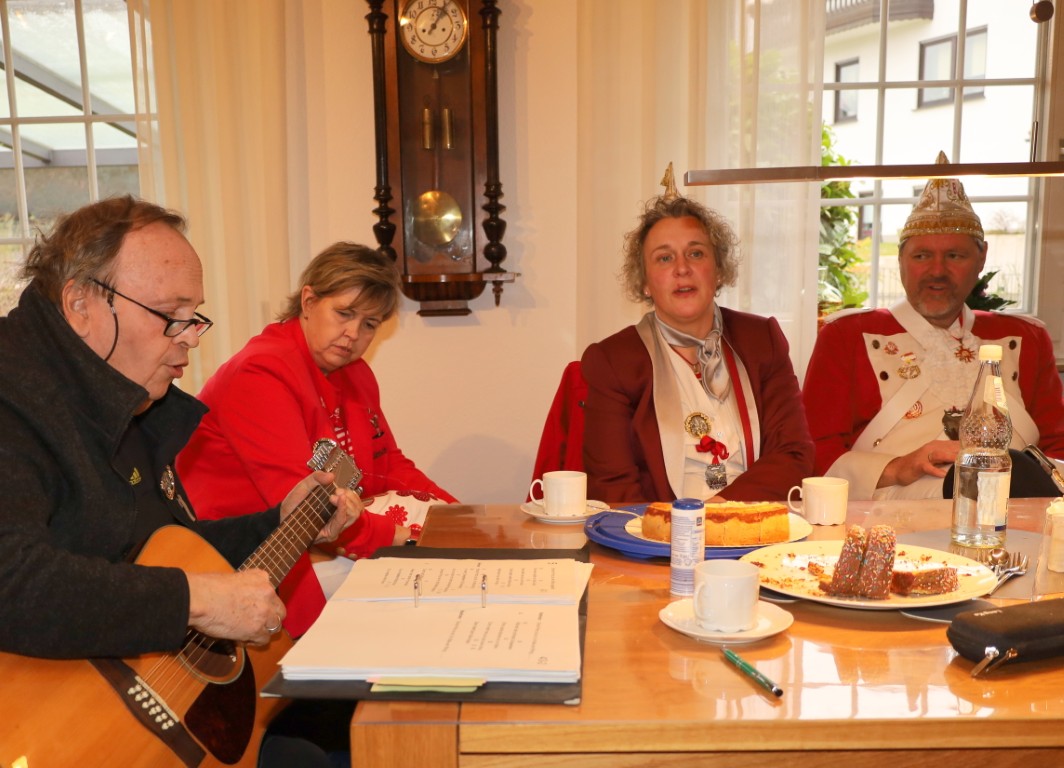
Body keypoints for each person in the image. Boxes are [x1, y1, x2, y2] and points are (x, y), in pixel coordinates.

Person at [0, 196, 361, 766]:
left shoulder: (122, 397)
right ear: (80, 303)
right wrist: (194, 600)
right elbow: (11, 581)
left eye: (196, 316)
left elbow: (164, 551)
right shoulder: (14, 397)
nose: (191, 337)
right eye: (172, 314)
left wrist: (280, 524)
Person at [178, 241, 456, 638]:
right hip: (241, 560)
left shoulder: (355, 373)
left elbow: (388, 464)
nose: (353, 334)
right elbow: (304, 508)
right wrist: (405, 537)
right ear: (308, 301)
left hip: (313, 545)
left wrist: (454, 516)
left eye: (370, 324)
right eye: (344, 313)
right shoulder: (261, 372)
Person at [803, 152, 1064, 500]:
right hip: (894, 510)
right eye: (922, 256)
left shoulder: (1027, 337)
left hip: (1018, 506)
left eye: (954, 256)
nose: (937, 271)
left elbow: (1056, 447)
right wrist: (899, 467)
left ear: (982, 258)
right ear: (901, 260)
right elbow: (814, 452)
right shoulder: (845, 336)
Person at [580, 173, 814, 504]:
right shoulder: (613, 361)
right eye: (664, 258)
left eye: (696, 253)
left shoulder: (762, 340)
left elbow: (794, 453)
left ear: (718, 271)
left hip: (753, 521)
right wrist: (677, 527)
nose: (682, 268)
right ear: (645, 282)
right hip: (660, 531)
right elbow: (612, 486)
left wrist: (719, 514)